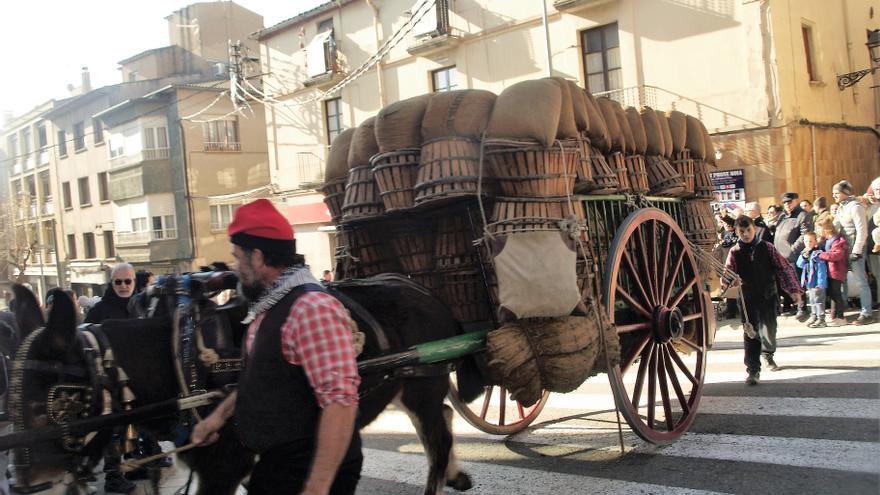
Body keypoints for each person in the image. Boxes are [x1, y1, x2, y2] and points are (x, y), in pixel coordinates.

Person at [191, 199, 362, 495]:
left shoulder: (310, 308)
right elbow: (261, 377)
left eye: (237, 258)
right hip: (281, 462)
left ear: (256, 256)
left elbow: (340, 402)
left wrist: (317, 488)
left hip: (308, 468)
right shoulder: (273, 305)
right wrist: (217, 418)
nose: (235, 267)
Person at [724, 215, 803, 384]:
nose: (745, 234)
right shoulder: (734, 251)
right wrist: (731, 281)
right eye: (741, 231)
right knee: (750, 332)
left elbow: (784, 269)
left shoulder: (767, 247)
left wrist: (794, 290)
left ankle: (768, 354)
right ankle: (753, 369)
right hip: (747, 298)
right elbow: (727, 273)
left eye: (748, 230)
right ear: (736, 232)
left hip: (768, 294)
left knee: (769, 328)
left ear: (755, 229)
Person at [83, 264, 137, 493]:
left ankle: (131, 466)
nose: (123, 286)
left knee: (132, 425)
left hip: (135, 376)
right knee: (113, 427)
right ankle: (113, 475)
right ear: (111, 283)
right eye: (118, 282)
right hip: (108, 381)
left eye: (128, 281)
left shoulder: (140, 306)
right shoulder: (99, 311)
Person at [832, 180, 873, 325]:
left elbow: (862, 230)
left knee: (861, 281)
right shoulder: (841, 208)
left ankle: (866, 313)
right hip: (843, 250)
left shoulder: (856, 207)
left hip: (855, 250)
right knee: (842, 281)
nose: (834, 195)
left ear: (845, 192)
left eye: (836, 192)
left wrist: (857, 251)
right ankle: (842, 311)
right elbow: (836, 227)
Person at [773, 192, 812, 319]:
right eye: (784, 203)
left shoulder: (802, 215)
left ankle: (802, 307)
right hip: (780, 256)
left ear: (796, 201)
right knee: (787, 283)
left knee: (797, 282)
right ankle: (793, 306)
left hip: (793, 256)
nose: (787, 205)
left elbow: (805, 234)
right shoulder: (783, 216)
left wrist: (793, 249)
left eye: (789, 202)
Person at [818, 218, 849, 326]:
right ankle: (833, 315)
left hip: (837, 271)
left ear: (826, 229)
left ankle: (840, 317)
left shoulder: (837, 240)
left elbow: (837, 255)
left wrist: (821, 255)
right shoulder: (826, 241)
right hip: (830, 271)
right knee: (832, 293)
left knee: (836, 293)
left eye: (820, 228)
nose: (818, 231)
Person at [797, 232, 828, 328]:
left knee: (819, 300)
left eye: (810, 241)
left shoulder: (818, 254)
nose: (808, 243)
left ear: (815, 242)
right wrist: (803, 257)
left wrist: (821, 283)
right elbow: (799, 264)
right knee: (812, 300)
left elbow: (821, 270)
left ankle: (821, 318)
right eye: (806, 241)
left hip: (817, 282)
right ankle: (814, 316)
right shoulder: (805, 253)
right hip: (809, 282)